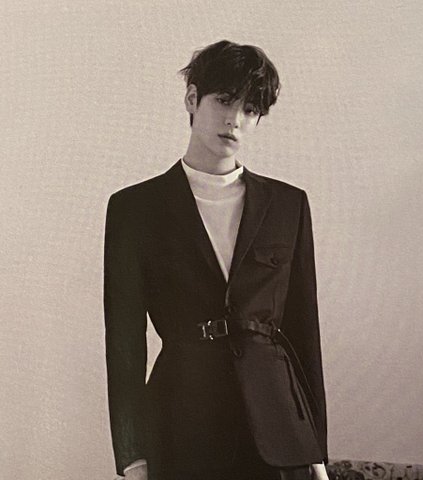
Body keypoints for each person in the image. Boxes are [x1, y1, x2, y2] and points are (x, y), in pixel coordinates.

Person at [104, 39, 329, 480]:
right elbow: (124, 345)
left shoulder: (288, 206)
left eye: (250, 109)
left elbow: (305, 333)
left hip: (279, 436)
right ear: (192, 99)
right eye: (224, 100)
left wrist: (317, 450)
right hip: (181, 426)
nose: (234, 119)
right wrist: (132, 457)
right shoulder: (135, 209)